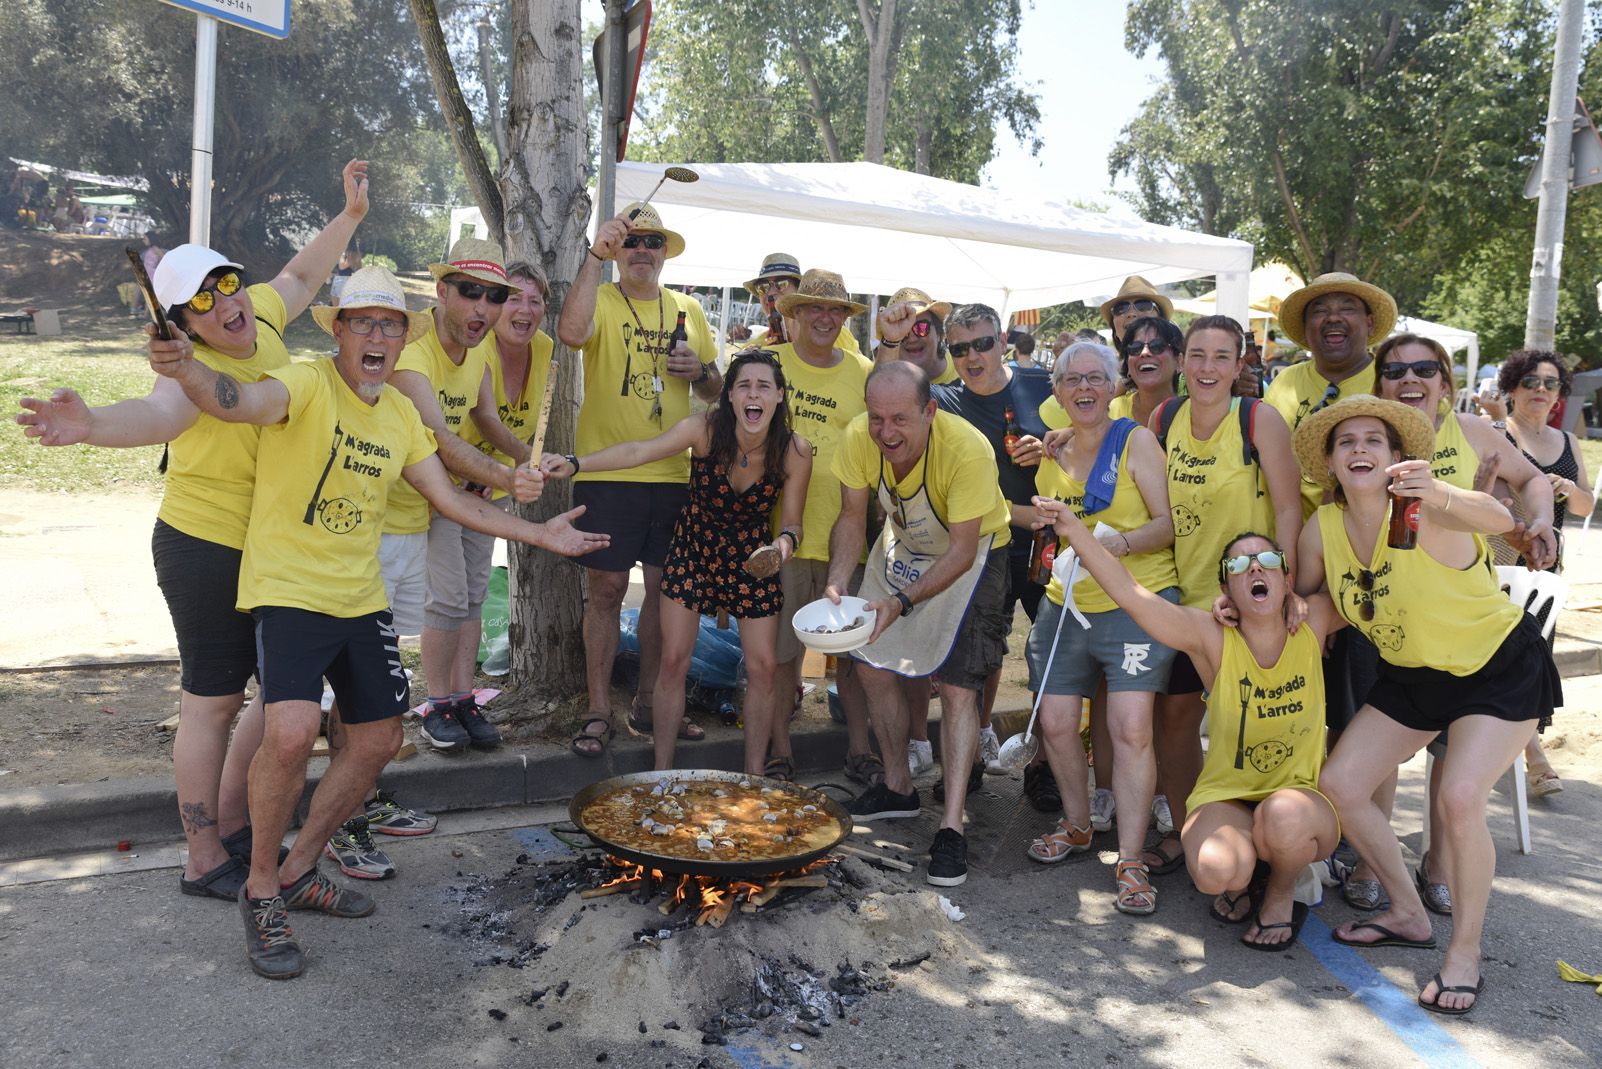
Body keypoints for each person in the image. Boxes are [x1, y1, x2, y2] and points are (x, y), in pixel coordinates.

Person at [148, 264, 606, 980]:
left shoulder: (397, 415)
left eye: (391, 325)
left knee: (380, 740)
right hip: (289, 590)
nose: (378, 336)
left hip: (358, 597)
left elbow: (450, 497)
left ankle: (299, 869)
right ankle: (261, 889)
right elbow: (237, 399)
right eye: (363, 322)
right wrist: (187, 371)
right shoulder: (305, 383)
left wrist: (538, 533)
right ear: (338, 331)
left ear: (401, 338)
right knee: (291, 732)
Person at [14, 161, 372, 903]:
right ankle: (203, 854)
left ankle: (238, 823)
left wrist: (349, 216)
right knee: (212, 700)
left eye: (226, 283)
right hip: (203, 545)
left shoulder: (261, 313)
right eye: (201, 301)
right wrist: (89, 425)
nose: (224, 303)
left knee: (280, 695)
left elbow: (302, 276)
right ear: (180, 323)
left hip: (272, 545)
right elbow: (156, 416)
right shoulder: (190, 366)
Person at [1296, 396, 1559, 1016]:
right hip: (1414, 672)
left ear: (1396, 458)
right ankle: (1408, 912)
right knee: (1340, 784)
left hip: (1497, 668)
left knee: (1460, 799)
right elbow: (1313, 605)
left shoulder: (1425, 508)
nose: (1359, 449)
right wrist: (1253, 608)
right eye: (1346, 442)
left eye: (1374, 440)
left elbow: (1497, 516)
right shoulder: (1321, 529)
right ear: (1331, 463)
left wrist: (1437, 490)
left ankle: (1464, 952)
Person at [1039, 509, 1342, 950]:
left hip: (1299, 800)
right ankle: (1248, 875)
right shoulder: (1210, 636)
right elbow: (1131, 595)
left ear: (1286, 578)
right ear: (1226, 590)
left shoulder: (1314, 621)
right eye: (1238, 565)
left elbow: (1368, 591)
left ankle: (1280, 891)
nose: (1254, 569)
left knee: (1283, 818)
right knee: (1216, 872)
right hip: (1228, 796)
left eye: (1267, 561)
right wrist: (1073, 530)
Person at [543, 348, 810, 772]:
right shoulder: (705, 429)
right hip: (693, 548)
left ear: (779, 395)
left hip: (752, 557)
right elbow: (638, 451)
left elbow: (793, 523)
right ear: (729, 395)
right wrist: (577, 463)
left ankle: (754, 776)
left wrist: (783, 545)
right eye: (743, 385)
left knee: (762, 668)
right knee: (673, 661)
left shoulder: (795, 449)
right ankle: (661, 774)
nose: (753, 394)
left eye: (763, 386)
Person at [827, 361, 1012, 888]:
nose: (886, 432)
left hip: (973, 557)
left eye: (900, 420)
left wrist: (901, 602)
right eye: (876, 418)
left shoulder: (967, 449)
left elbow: (961, 551)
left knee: (956, 686)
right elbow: (851, 516)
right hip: (905, 545)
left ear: (930, 411)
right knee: (870, 662)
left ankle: (952, 827)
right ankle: (898, 787)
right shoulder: (859, 437)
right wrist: (837, 581)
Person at [556, 203, 724, 748]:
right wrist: (592, 256)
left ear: (665, 251)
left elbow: (715, 390)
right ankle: (598, 708)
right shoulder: (603, 298)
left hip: (674, 475)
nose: (642, 251)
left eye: (653, 242)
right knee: (606, 592)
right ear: (617, 250)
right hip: (607, 472)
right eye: (632, 241)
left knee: (663, 594)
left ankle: (651, 703)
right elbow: (570, 333)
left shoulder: (687, 309)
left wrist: (700, 371)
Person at [1141, 315, 1302, 879]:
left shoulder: (1258, 420)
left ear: (1239, 366)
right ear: (1181, 361)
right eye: (1197, 355)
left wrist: (1284, 590)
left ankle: (1272, 842)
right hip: (1182, 600)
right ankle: (1191, 828)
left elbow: (1289, 508)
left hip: (1247, 601)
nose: (1207, 368)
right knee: (1176, 718)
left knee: (1251, 726)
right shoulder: (1164, 417)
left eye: (1221, 357)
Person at [1023, 340, 1178, 915]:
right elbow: (1052, 525)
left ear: (1114, 387)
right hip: (1066, 603)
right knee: (1057, 723)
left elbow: (1168, 525)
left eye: (1095, 378)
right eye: (1072, 380)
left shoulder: (1136, 441)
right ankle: (1078, 823)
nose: (1084, 388)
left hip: (1136, 601)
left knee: (1131, 728)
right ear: (1058, 392)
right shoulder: (1054, 450)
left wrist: (1119, 545)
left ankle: (1131, 859)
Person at [387, 237, 538, 754]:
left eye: (494, 296)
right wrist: (507, 476)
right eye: (470, 292)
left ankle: (462, 698)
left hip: (466, 493)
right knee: (448, 599)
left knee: (472, 596)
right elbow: (439, 440)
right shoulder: (413, 354)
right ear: (442, 291)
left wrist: (531, 458)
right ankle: (436, 704)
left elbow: (486, 419)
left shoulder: (478, 355)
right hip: (415, 500)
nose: (483, 308)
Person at [765, 269, 879, 784]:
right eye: (815, 308)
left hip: (846, 537)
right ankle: (780, 752)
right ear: (796, 313)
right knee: (780, 656)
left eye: (836, 310)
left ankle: (860, 750)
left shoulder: (864, 372)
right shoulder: (769, 366)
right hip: (781, 537)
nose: (826, 318)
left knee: (853, 654)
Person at [935, 302, 1053, 778]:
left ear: (1003, 342)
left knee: (1049, 659)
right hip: (988, 544)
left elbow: (1091, 439)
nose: (972, 356)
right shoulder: (944, 402)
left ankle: (1043, 766)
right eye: (959, 348)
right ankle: (972, 757)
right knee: (979, 654)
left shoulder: (1044, 385)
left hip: (1047, 545)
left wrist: (1052, 446)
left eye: (983, 343)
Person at [1495, 350, 1593, 796]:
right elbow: (1490, 499)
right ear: (1512, 388)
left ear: (1559, 394)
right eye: (1530, 381)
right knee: (1515, 657)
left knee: (1535, 658)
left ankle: (1515, 750)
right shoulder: (1499, 434)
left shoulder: (1568, 442)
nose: (1540, 389)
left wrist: (1569, 488)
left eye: (1550, 383)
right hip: (1503, 560)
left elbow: (1585, 507)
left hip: (1547, 570)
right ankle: (1535, 757)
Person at [744, 252, 861, 355]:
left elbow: (860, 369)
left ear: (798, 291)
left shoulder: (833, 333)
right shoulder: (754, 349)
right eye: (762, 287)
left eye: (781, 284)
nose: (771, 293)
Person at [874, 286, 958, 385]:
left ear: (939, 333)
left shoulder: (963, 368)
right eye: (903, 331)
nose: (912, 339)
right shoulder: (883, 375)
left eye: (921, 328)